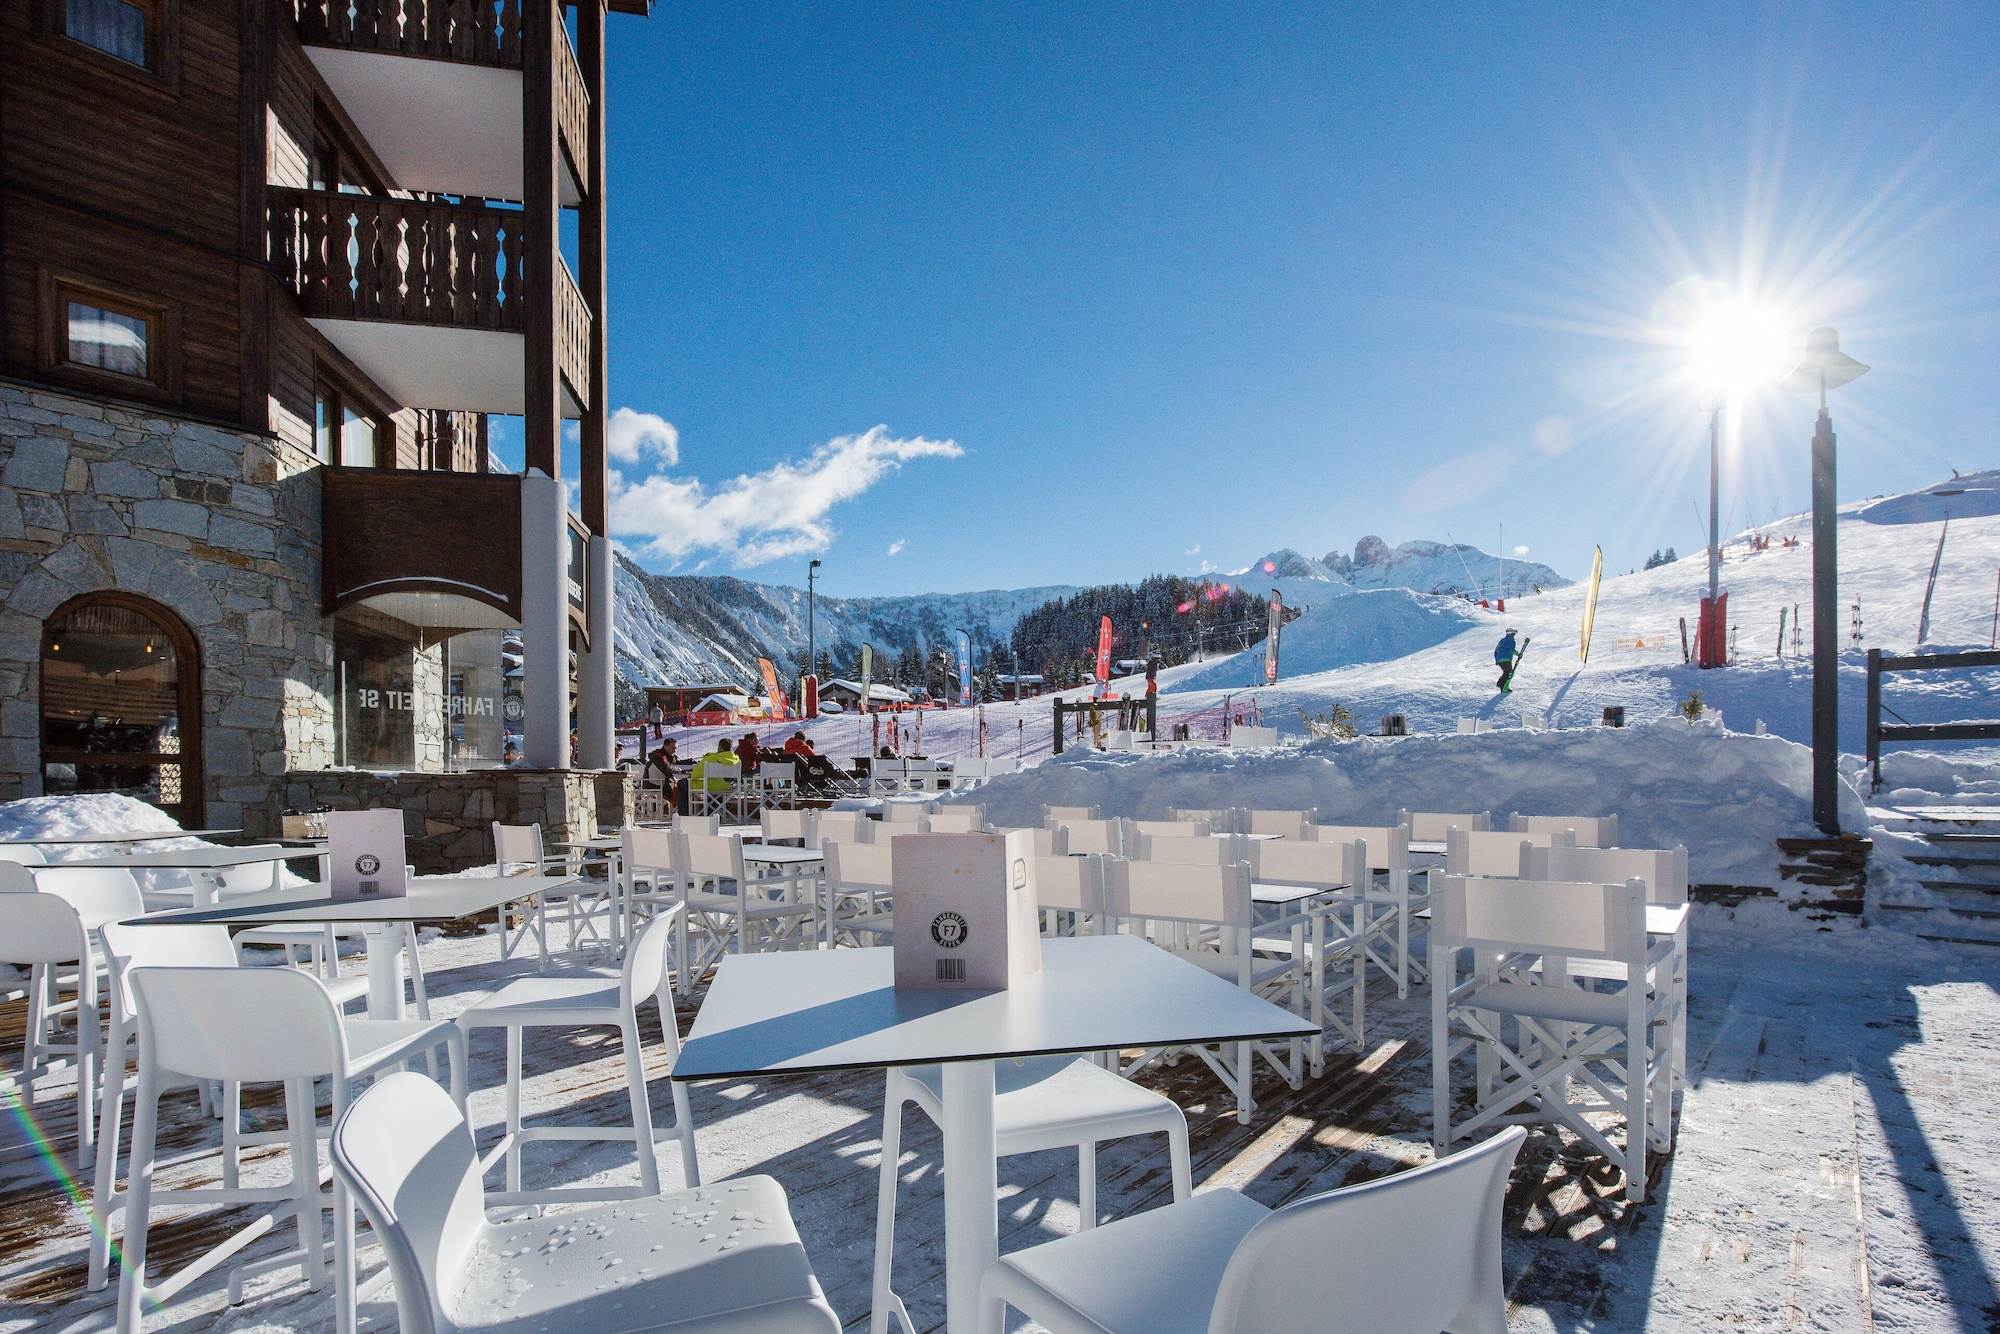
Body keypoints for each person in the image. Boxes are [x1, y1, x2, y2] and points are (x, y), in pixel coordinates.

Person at [1494, 629, 1520, 693]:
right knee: (1508, 673)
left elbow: (1496, 650)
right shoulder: (1510, 640)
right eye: (1514, 633)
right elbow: (1511, 650)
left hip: (1500, 659)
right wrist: (1518, 654)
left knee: (1506, 672)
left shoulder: (1502, 640)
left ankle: (1501, 685)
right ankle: (1503, 686)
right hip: (1506, 659)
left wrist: (1497, 660)